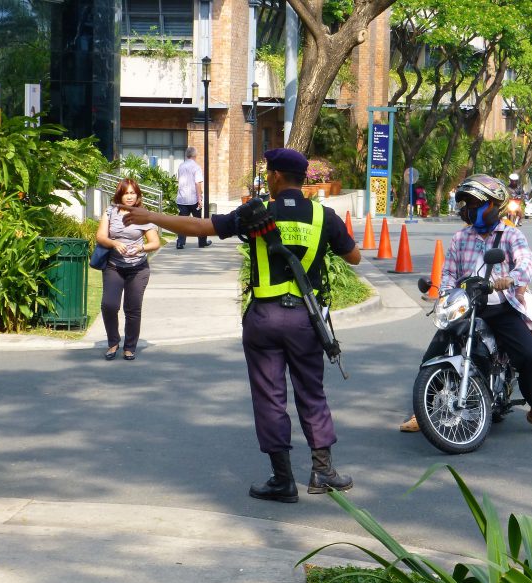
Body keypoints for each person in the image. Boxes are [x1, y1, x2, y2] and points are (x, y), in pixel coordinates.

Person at [119, 148, 362, 502]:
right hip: (305, 320)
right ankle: (323, 471)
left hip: (264, 318)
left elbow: (200, 226)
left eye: (268, 171)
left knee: (270, 397)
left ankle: (283, 480)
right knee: (312, 392)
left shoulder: (255, 214)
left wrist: (149, 215)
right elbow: (353, 256)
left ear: (277, 176)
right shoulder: (324, 217)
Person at [399, 173, 532, 435]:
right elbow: (448, 273)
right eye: (467, 204)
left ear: (494, 204)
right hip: (465, 307)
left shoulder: (511, 235)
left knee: (530, 358)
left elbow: (526, 263)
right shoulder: (460, 238)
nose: (470, 209)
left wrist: (509, 279)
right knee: (432, 356)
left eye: (476, 204)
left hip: (500, 308)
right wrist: (445, 294)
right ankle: (424, 411)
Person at [95, 178, 161, 361]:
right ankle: (113, 342)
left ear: (138, 195)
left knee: (132, 309)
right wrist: (114, 243)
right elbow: (100, 236)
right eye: (126, 193)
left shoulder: (143, 215)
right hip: (114, 266)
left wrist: (141, 248)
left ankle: (129, 347)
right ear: (120, 195)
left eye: (133, 193)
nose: (130, 196)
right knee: (109, 305)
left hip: (137, 269)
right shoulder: (110, 212)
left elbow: (155, 242)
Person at [174, 147, 208, 249]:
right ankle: (202, 242)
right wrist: (199, 199)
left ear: (186, 155)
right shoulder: (196, 167)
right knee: (199, 222)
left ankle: (180, 242)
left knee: (182, 222)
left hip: (182, 198)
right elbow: (197, 183)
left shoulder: (181, 166)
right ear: (195, 155)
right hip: (193, 199)